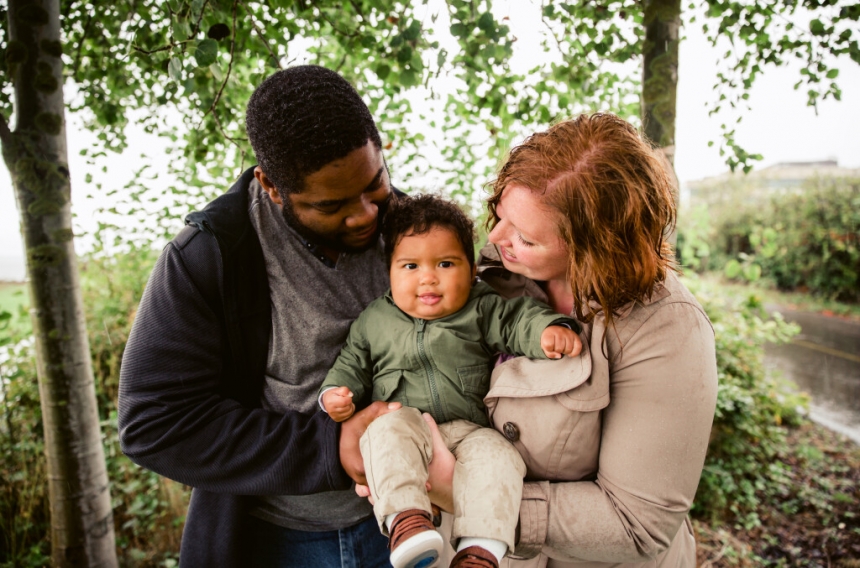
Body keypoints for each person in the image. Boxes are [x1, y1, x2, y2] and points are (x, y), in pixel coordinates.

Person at [353, 113, 719, 567]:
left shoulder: (665, 330)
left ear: (594, 248)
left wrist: (458, 489)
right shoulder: (491, 274)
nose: (497, 238)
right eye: (501, 215)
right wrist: (389, 453)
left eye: (525, 237)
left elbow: (636, 524)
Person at [118, 65, 408, 567]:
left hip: (409, 524)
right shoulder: (210, 257)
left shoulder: (412, 228)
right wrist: (329, 447)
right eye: (332, 205)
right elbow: (154, 423)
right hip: (279, 541)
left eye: (374, 183)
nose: (364, 214)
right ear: (271, 186)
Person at [319, 195, 583, 568]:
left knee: (500, 457)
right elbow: (351, 363)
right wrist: (334, 394)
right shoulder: (374, 320)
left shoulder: (480, 307)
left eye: (445, 263)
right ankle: (405, 521)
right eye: (410, 265)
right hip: (406, 424)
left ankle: (481, 548)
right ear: (389, 271)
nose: (428, 277)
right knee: (383, 434)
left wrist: (545, 330)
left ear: (471, 268)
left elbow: (514, 320)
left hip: (471, 430)